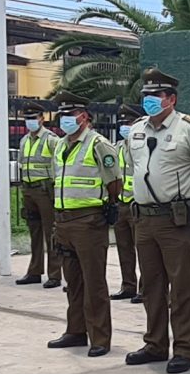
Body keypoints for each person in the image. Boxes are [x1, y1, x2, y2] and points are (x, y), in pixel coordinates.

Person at [120, 70, 190, 372]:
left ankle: (186, 348)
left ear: (171, 99)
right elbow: (133, 166)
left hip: (176, 220)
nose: (149, 101)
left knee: (182, 286)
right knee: (150, 285)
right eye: (146, 97)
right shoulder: (137, 129)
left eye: (156, 96)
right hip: (145, 219)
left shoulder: (188, 128)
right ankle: (155, 344)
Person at [43, 95, 123, 357]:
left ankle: (100, 337)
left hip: (88, 221)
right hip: (64, 221)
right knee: (73, 281)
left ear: (85, 116)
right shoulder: (60, 145)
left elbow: (114, 183)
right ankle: (75, 331)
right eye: (63, 114)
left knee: (94, 282)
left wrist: (104, 206)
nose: (67, 118)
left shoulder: (99, 144)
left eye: (73, 113)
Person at [15, 101, 61, 288]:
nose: (30, 121)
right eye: (27, 119)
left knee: (51, 232)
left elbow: (59, 166)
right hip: (28, 189)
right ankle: (34, 271)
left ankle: (55, 274)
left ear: (42, 119)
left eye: (33, 118)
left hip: (45, 190)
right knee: (34, 232)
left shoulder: (51, 139)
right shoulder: (24, 140)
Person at [110, 108, 142, 301]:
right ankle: (128, 285)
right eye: (122, 124)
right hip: (122, 202)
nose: (124, 127)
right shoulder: (117, 147)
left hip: (137, 203)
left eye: (128, 123)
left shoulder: (140, 146)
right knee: (124, 247)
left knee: (144, 249)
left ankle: (144, 288)